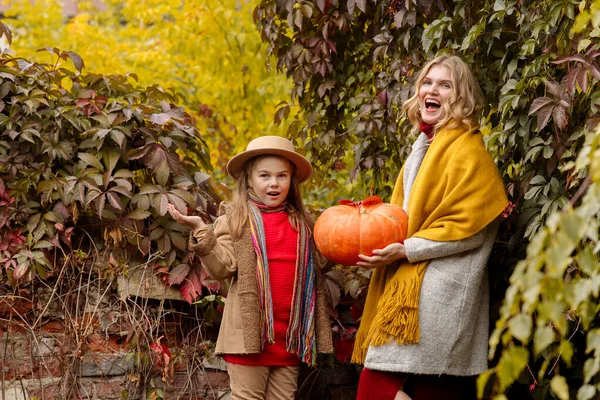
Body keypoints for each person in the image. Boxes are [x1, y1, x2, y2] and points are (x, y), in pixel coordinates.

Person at [352, 55, 509, 400]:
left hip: (441, 295)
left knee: (379, 387)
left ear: (461, 97)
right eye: (427, 82)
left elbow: (473, 227)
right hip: (412, 291)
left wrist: (407, 249)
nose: (432, 89)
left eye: (444, 84)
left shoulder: (468, 150)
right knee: (417, 388)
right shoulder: (423, 148)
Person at [167, 136, 333, 400]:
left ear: (292, 182)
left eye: (282, 176)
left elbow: (321, 263)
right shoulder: (235, 220)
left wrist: (346, 239)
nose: (274, 183)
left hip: (289, 338)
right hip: (249, 337)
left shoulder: (303, 224)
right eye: (264, 175)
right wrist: (201, 230)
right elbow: (222, 267)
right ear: (249, 179)